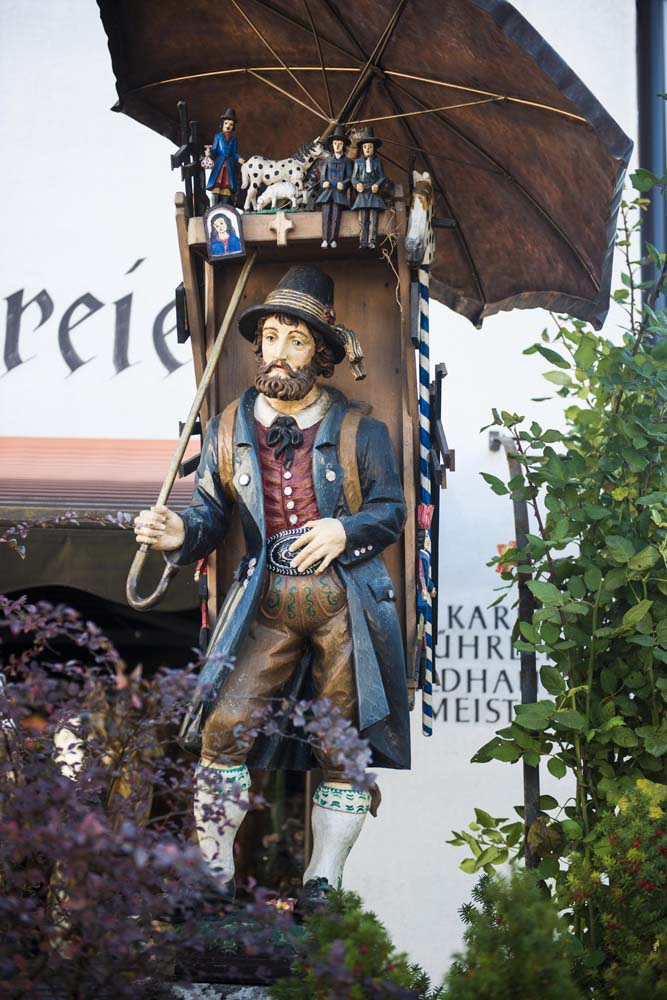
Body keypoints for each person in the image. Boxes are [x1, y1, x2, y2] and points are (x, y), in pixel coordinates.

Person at [134, 266, 410, 908]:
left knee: (343, 743)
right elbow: (211, 515)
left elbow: (392, 510)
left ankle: (323, 880)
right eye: (272, 337)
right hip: (268, 602)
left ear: (322, 354)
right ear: (258, 346)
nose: (281, 351)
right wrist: (179, 532)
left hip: (343, 607)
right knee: (223, 727)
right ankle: (211, 878)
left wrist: (344, 530)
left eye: (297, 339)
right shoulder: (227, 429)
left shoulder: (363, 432)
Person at [315, 125, 353, 249]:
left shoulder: (348, 161)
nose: (337, 146)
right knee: (326, 215)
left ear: (343, 145)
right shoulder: (327, 160)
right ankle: (325, 239)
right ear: (332, 145)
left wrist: (345, 184)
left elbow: (350, 177)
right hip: (328, 191)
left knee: (336, 215)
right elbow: (323, 176)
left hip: (339, 192)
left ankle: (333, 239)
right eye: (335, 143)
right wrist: (324, 182)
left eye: (340, 144)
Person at [351, 127, 386, 250]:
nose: (367, 149)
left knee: (373, 218)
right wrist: (357, 185)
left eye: (370, 147)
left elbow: (382, 177)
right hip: (362, 193)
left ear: (374, 148)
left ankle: (372, 240)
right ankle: (363, 240)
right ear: (362, 148)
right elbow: (354, 178)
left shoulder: (378, 162)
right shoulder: (358, 162)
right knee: (362, 219)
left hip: (373, 192)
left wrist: (377, 184)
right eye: (365, 147)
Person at [205, 108, 244, 206]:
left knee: (227, 185)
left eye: (231, 124)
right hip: (219, 163)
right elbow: (215, 150)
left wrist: (238, 158)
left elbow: (234, 153)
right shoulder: (218, 137)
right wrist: (209, 153)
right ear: (222, 124)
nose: (228, 126)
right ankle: (214, 206)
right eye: (226, 123)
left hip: (229, 165)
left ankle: (224, 205)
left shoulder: (234, 139)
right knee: (217, 184)